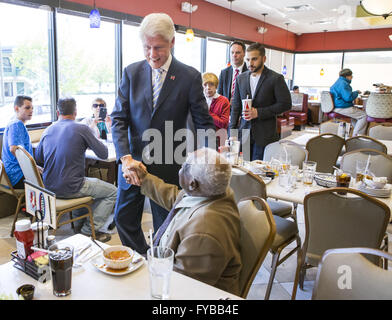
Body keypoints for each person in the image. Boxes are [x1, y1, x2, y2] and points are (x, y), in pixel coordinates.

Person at [111, 13, 215, 254]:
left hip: (169, 165)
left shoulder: (189, 76)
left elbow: (204, 123)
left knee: (166, 228)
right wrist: (125, 158)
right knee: (123, 219)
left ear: (172, 42)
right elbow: (119, 119)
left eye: (158, 47)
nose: (151, 54)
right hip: (133, 165)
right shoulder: (131, 72)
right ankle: (144, 259)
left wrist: (207, 160)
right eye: (146, 47)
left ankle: (161, 265)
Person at [123, 148, 241, 295]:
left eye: (184, 166)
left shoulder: (204, 231)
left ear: (192, 184)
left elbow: (183, 286)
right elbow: (175, 198)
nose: (180, 169)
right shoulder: (212, 193)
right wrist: (144, 178)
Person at [35, 98, 116, 242]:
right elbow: (103, 153)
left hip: (48, 187)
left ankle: (79, 225)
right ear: (75, 111)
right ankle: (88, 231)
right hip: (72, 186)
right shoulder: (82, 128)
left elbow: (39, 157)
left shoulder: (48, 130)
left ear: (57, 112)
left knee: (86, 183)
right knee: (113, 192)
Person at [229, 42, 291, 161]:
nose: (250, 63)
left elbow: (286, 104)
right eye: (247, 59)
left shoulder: (276, 78)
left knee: (261, 173)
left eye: (254, 59)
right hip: (244, 134)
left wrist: (259, 112)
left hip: (265, 135)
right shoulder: (240, 79)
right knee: (244, 170)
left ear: (264, 58)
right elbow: (236, 107)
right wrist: (232, 132)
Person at [2, 95, 35, 189]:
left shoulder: (14, 122)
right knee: (51, 178)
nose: (31, 110)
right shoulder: (17, 124)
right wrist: (33, 167)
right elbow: (14, 149)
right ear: (17, 108)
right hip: (18, 176)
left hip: (13, 176)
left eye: (32, 108)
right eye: (27, 108)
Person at [330, 68, 366, 136]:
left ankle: (355, 134)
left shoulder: (337, 82)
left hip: (336, 107)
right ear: (346, 76)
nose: (352, 77)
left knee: (355, 116)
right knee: (364, 116)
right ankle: (356, 135)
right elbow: (348, 98)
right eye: (351, 75)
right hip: (342, 107)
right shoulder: (344, 84)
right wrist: (356, 92)